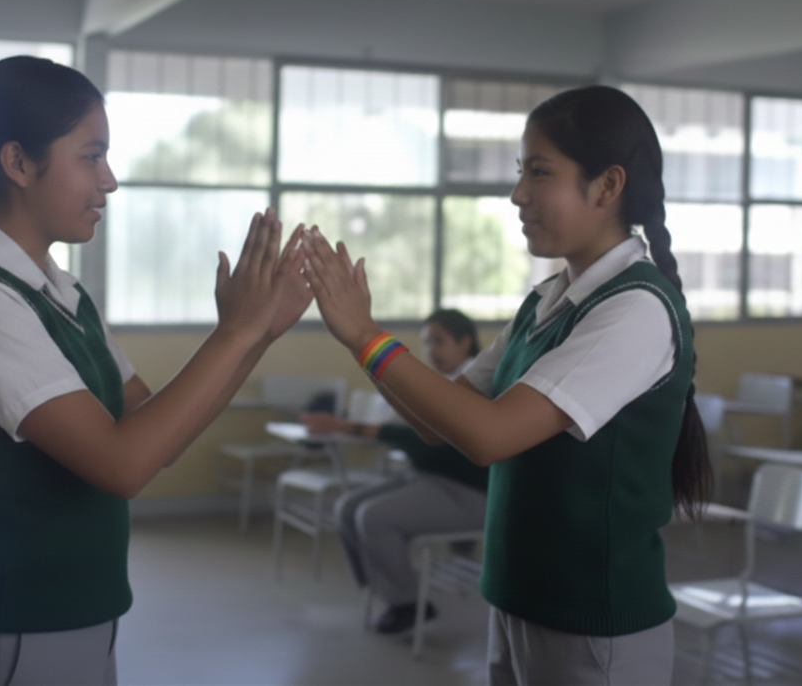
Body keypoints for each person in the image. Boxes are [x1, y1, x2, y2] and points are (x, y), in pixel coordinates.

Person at [0, 56, 310, 686]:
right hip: (13, 633)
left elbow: (153, 432)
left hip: (73, 623)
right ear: (18, 163)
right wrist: (234, 332)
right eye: (92, 156)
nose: (109, 181)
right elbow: (123, 465)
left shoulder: (63, 293)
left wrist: (256, 337)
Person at [302, 85, 710, 685]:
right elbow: (439, 421)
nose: (518, 194)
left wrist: (367, 335)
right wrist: (359, 339)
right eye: (522, 171)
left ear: (607, 185)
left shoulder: (637, 308)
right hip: (521, 598)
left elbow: (489, 435)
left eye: (540, 173)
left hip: (596, 623)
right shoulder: (547, 301)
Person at [299, 309, 489, 635]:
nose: (431, 351)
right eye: (427, 343)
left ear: (464, 342)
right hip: (428, 478)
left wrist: (350, 427)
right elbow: (403, 425)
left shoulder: (476, 379)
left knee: (373, 517)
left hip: (470, 492)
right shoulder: (445, 379)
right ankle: (382, 589)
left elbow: (429, 438)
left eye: (439, 342)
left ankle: (408, 605)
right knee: (346, 507)